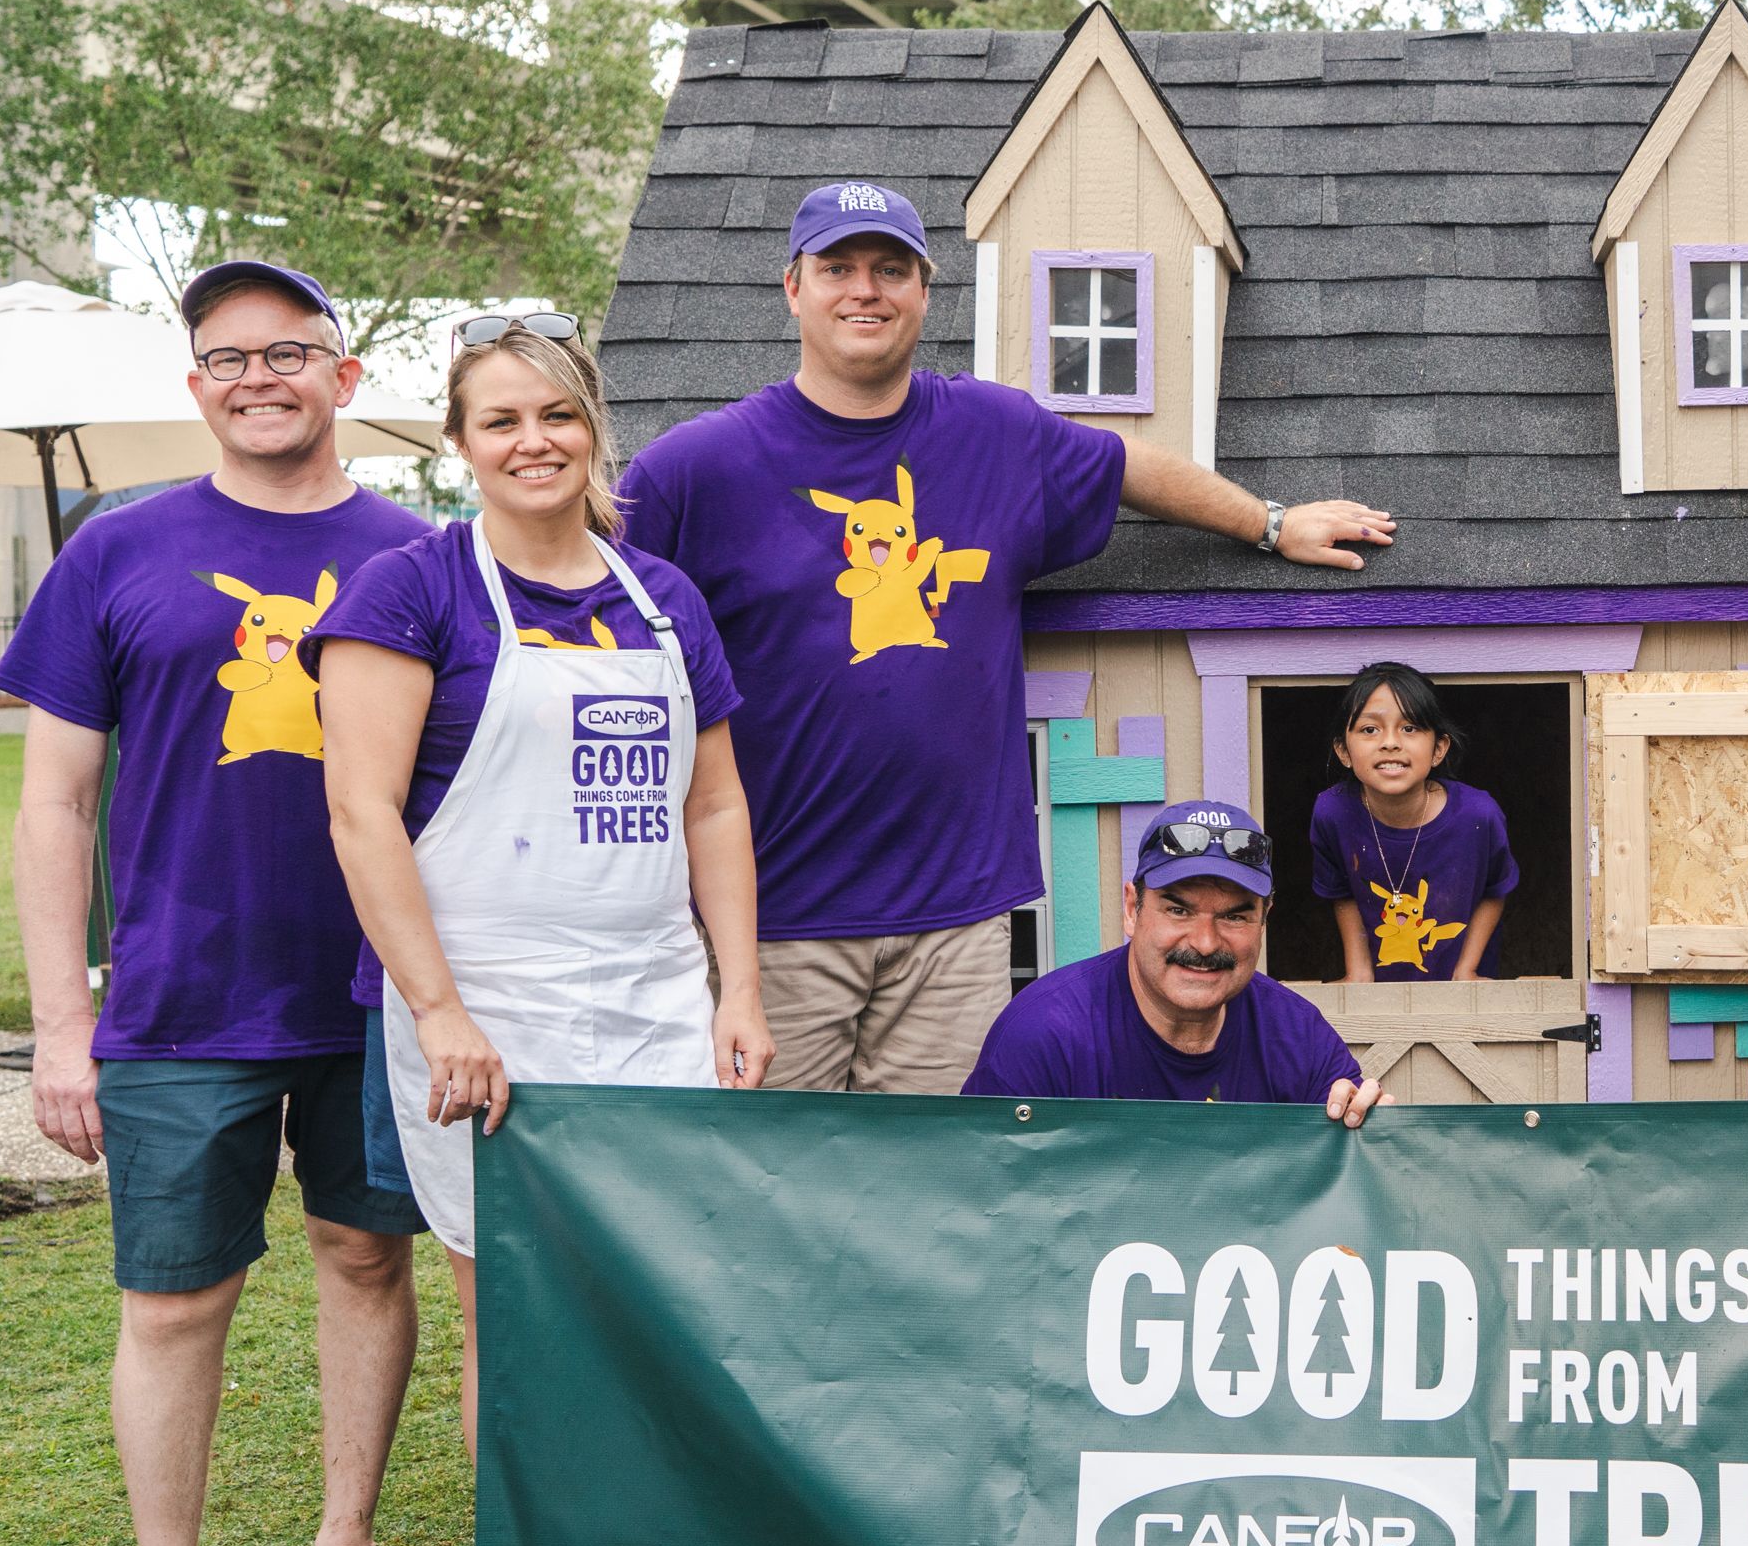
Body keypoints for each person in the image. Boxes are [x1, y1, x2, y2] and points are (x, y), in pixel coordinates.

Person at [619, 182, 1398, 1099]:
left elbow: (1128, 467)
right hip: (779, 918)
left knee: (940, 1195)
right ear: (794, 287)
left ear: (923, 290)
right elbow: (609, 649)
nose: (864, 290)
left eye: (891, 269)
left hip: (955, 919)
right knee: (778, 1191)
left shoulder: (994, 434)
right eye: (838, 268)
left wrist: (1268, 524)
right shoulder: (691, 472)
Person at [0, 258, 431, 1546]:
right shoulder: (118, 552)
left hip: (374, 994)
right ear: (197, 385)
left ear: (343, 377)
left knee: (369, 1258)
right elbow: (53, 805)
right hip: (180, 1000)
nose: (259, 377)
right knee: (174, 1303)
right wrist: (63, 1025)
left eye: (290, 351)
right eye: (229, 356)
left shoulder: (418, 553)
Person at [318, 314, 770, 1453]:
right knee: (515, 1319)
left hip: (656, 1006)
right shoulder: (407, 590)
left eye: (558, 414)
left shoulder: (662, 597)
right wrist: (439, 1009)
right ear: (461, 444)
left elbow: (713, 804)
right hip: (486, 1020)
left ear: (594, 429)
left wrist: (740, 991)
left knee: (664, 1302)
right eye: (502, 419)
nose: (535, 441)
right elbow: (359, 813)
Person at [966, 800, 1386, 1116]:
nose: (1205, 943)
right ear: (1132, 909)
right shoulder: (1042, 1034)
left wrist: (1370, 1136)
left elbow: (1354, 1199)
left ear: (1264, 920)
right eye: (1178, 910)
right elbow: (976, 1198)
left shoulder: (1297, 1034)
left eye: (1235, 916)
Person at [1313, 664, 1517, 981]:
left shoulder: (1478, 815)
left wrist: (1467, 970)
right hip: (1380, 997)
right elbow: (1341, 892)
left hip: (1465, 997)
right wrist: (1358, 973)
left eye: (1409, 728)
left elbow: (1495, 889)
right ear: (1343, 751)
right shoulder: (1333, 813)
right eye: (1370, 730)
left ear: (1438, 749)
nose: (1390, 742)